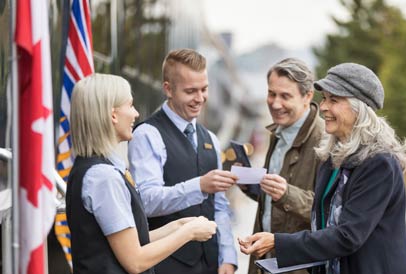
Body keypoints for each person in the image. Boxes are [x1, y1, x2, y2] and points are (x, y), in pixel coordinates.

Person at [239, 63, 406, 274]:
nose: (323, 107)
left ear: (358, 108)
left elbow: (348, 236)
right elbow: (322, 227)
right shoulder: (332, 158)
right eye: (324, 98)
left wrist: (278, 243)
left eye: (333, 100)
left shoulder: (379, 163)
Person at [66, 73, 217, 274]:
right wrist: (188, 233)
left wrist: (178, 226)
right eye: (130, 105)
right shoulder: (104, 178)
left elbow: (129, 241)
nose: (136, 114)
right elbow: (135, 260)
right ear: (113, 115)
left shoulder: (93, 169)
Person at [128, 49, 238, 274]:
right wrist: (199, 186)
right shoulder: (148, 135)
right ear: (168, 89)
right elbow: (146, 202)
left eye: (204, 89)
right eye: (190, 91)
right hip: (166, 266)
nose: (199, 98)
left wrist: (227, 256)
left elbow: (219, 205)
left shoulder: (211, 140)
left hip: (209, 265)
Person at [242, 58, 324, 274]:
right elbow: (275, 203)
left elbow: (330, 211)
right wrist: (250, 184)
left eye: (285, 96)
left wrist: (287, 194)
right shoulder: (278, 133)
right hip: (265, 263)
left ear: (307, 97)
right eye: (271, 94)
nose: (275, 104)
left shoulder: (326, 141)